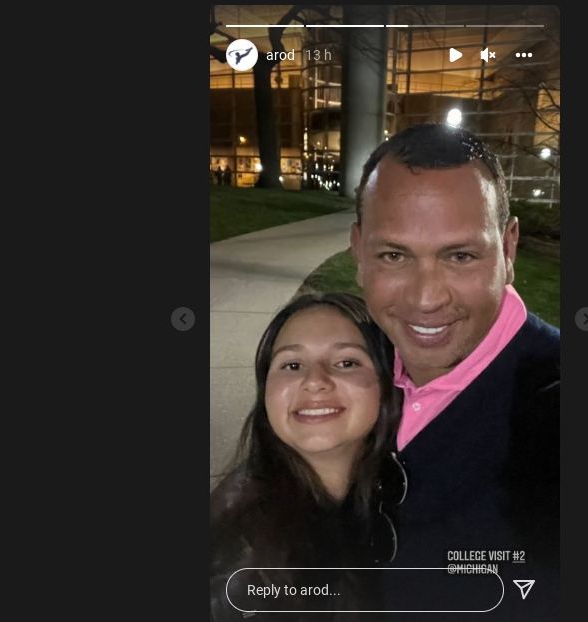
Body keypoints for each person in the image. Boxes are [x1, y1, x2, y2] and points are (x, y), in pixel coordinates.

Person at [350, 124, 560, 618]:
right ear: (358, 251)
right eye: (394, 255)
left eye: (460, 256)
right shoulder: (352, 369)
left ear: (507, 251)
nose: (426, 299)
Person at [210, 293, 402, 621]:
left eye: (346, 362)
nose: (314, 381)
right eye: (292, 365)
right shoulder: (235, 557)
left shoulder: (413, 491)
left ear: (388, 382)